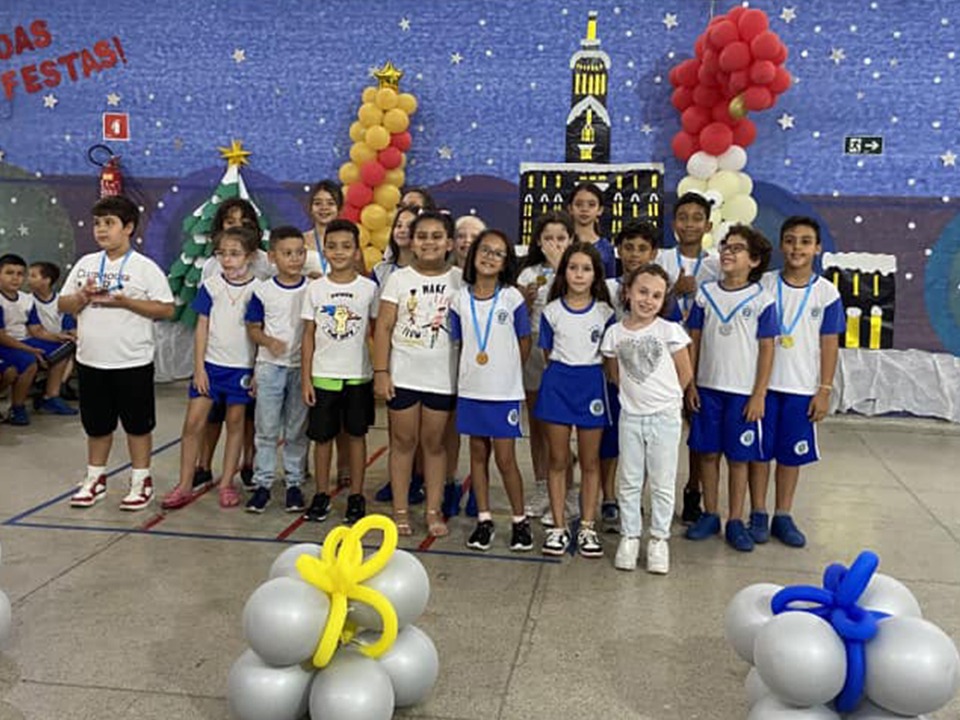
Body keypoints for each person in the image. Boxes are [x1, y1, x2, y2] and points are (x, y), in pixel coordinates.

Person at [59, 196, 175, 509]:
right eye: (97, 223)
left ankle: (141, 480)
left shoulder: (144, 268)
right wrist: (82, 296)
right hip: (91, 360)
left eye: (109, 223)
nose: (101, 229)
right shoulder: (85, 264)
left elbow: (166, 309)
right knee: (97, 426)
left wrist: (126, 302)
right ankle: (95, 479)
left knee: (138, 425)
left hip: (132, 361)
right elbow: (63, 303)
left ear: (128, 228)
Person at [749, 217, 844, 548]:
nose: (797, 248)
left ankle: (783, 514)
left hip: (801, 388)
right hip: (761, 387)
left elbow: (829, 343)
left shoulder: (826, 293)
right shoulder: (763, 284)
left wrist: (824, 389)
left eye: (805, 241)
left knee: (791, 455)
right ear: (781, 245)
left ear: (817, 248)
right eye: (790, 240)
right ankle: (758, 512)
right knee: (760, 452)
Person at [684, 226, 776, 552]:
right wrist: (690, 383)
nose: (727, 252)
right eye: (725, 246)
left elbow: (767, 349)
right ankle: (710, 513)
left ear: (754, 260)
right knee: (708, 454)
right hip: (707, 389)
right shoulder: (705, 295)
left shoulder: (762, 300)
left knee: (739, 459)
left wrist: (759, 394)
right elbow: (693, 340)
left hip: (742, 393)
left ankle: (735, 519)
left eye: (737, 248)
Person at [373, 210, 461, 537]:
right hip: (404, 375)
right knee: (403, 441)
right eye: (422, 236)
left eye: (437, 236)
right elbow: (383, 327)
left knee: (434, 444)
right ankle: (400, 510)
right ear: (411, 241)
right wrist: (381, 371)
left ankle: (433, 509)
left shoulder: (459, 279)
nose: (429, 243)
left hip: (442, 377)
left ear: (449, 243)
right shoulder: (399, 279)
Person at [162, 226, 261, 510]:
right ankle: (184, 484)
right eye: (222, 254)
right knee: (193, 423)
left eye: (235, 254)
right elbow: (202, 328)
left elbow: (258, 333)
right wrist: (199, 368)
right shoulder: (211, 286)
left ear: (249, 256)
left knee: (235, 424)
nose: (227, 260)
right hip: (210, 368)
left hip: (241, 370)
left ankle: (227, 482)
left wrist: (255, 371)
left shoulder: (258, 290)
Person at [602, 264, 693, 573]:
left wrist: (668, 401)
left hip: (664, 418)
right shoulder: (615, 334)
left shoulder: (669, 331)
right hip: (630, 417)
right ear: (627, 292)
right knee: (629, 480)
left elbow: (685, 372)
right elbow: (614, 373)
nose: (648, 300)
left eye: (656, 295)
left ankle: (658, 539)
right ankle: (630, 536)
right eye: (642, 292)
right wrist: (634, 399)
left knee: (662, 481)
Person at [450, 229, 533, 552]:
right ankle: (484, 520)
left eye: (498, 253)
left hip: (504, 393)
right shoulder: (459, 300)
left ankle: (519, 520)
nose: (490, 257)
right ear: (474, 255)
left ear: (505, 262)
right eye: (485, 250)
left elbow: (524, 341)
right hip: (472, 390)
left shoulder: (512, 298)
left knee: (506, 458)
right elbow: (460, 343)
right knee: (477, 454)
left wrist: (507, 373)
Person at [535, 242, 615, 557]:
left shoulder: (605, 313)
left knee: (591, 461)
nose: (579, 274)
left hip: (591, 386)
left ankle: (587, 526)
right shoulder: (551, 311)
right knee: (558, 459)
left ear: (595, 275)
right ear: (563, 272)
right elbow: (547, 353)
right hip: (558, 385)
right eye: (573, 267)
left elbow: (609, 358)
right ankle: (558, 526)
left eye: (586, 269)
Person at [301, 219, 379, 525]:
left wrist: (381, 372)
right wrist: (306, 378)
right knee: (322, 439)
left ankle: (356, 496)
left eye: (346, 246)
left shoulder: (369, 289)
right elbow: (308, 335)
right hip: (323, 375)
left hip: (359, 375)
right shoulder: (315, 289)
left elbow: (377, 332)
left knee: (357, 436)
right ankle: (322, 494)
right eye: (332, 246)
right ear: (324, 251)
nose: (339, 252)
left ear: (357, 251)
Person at [195, 199, 272, 493]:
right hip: (217, 356)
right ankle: (203, 465)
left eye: (245, 222)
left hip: (248, 356)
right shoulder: (213, 266)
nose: (238, 226)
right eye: (230, 221)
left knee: (246, 415)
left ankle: (248, 463)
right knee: (212, 413)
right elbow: (205, 315)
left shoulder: (264, 262)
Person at [655, 191, 721, 525]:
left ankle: (693, 490)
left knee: (697, 428)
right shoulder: (661, 259)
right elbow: (646, 302)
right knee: (657, 430)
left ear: (708, 225)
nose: (690, 224)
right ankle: (656, 492)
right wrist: (675, 292)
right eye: (683, 218)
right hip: (661, 357)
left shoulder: (717, 265)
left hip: (701, 355)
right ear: (673, 223)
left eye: (697, 218)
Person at [598, 221, 663, 533]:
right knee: (609, 441)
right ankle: (609, 497)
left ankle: (634, 497)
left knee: (644, 443)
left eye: (642, 248)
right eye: (628, 247)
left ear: (653, 253)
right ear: (618, 250)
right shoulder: (606, 288)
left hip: (646, 382)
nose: (635, 254)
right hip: (611, 378)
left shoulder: (660, 290)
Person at [243, 226, 310, 514]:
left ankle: (294, 483)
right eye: (287, 253)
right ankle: (263, 484)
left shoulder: (312, 288)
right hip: (270, 368)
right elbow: (253, 328)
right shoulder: (262, 291)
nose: (294, 259)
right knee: (267, 429)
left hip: (300, 368)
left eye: (299, 253)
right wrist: (269, 342)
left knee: (296, 429)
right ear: (272, 257)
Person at [517, 211, 574, 522]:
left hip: (565, 349)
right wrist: (525, 302)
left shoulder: (576, 269)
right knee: (538, 423)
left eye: (561, 238)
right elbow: (518, 317)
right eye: (548, 238)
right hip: (535, 346)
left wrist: (560, 267)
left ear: (571, 240)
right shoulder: (528, 273)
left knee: (562, 426)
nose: (555, 244)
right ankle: (542, 486)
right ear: (538, 241)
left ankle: (568, 490)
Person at [371, 205, 426, 506]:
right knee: (398, 429)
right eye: (399, 224)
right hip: (392, 356)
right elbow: (376, 320)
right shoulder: (382, 272)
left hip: (421, 355)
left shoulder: (432, 270)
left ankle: (422, 477)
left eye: (410, 225)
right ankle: (399, 480)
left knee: (425, 430)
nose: (403, 229)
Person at [0, 254, 77, 422]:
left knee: (64, 347)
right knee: (29, 362)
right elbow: (2, 337)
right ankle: (17, 408)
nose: (15, 278)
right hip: (6, 343)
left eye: (20, 274)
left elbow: (36, 330)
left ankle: (51, 396)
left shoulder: (26, 300)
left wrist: (57, 337)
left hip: (24, 340)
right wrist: (29, 349)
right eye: (9, 273)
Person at [568, 182, 616, 280]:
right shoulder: (563, 243)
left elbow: (610, 283)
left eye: (591, 205)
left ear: (600, 210)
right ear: (570, 208)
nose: (584, 209)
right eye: (579, 204)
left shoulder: (606, 247)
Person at [302, 180, 343, 279]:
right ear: (310, 208)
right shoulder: (300, 240)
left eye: (330, 203)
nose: (324, 208)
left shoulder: (348, 242)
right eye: (318, 203)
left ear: (339, 208)